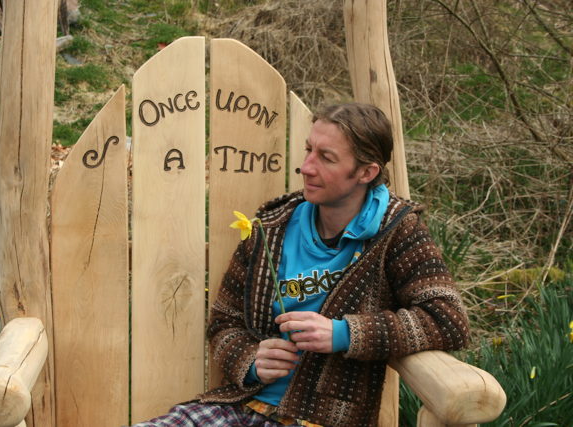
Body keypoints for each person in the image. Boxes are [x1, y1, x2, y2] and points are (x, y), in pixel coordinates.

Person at [132, 103, 470, 427]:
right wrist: (251, 361)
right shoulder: (272, 227)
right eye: (309, 150)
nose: (306, 166)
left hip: (322, 419)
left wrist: (344, 333)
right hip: (240, 407)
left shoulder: (396, 231)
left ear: (366, 172)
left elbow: (448, 319)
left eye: (326, 158)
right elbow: (224, 321)